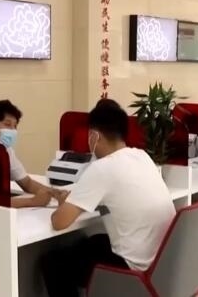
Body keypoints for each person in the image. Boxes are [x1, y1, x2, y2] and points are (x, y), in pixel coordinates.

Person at [44, 102, 176, 297]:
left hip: (133, 268)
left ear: (94, 136)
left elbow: (59, 222)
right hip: (162, 264)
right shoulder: (142, 156)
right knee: (94, 241)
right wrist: (77, 199)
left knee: (53, 263)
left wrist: (66, 203)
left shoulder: (102, 168)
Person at [0, 100, 62, 208]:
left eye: (15, 126)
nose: (13, 130)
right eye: (7, 124)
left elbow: (27, 183)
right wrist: (32, 201)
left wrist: (55, 193)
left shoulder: (6, 150)